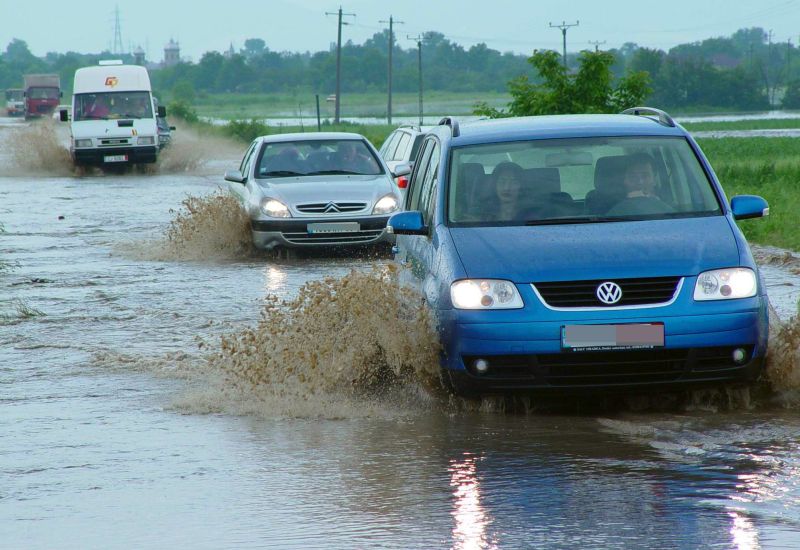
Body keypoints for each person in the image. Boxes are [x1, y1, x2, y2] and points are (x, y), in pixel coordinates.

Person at [607, 153, 675, 215]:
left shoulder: (669, 211)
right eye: (633, 176)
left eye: (645, 176)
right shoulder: (611, 212)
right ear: (624, 180)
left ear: (654, 180)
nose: (640, 182)